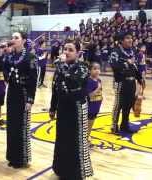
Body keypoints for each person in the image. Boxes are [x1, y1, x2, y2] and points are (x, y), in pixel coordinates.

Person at [49, 39, 93, 179]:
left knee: (76, 140)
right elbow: (55, 88)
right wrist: (52, 107)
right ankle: (62, 170)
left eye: (70, 50)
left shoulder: (83, 67)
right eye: (65, 49)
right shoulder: (60, 68)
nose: (66, 52)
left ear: (78, 53)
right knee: (62, 139)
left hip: (77, 108)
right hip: (63, 107)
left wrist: (61, 66)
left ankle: (76, 173)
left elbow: (73, 82)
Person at [4, 31, 37, 168]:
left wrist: (30, 99)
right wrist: (3, 55)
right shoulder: (10, 56)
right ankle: (12, 157)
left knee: (21, 126)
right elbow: (3, 70)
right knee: (11, 125)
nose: (13, 39)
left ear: (23, 40)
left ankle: (21, 158)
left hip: (23, 94)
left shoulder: (30, 57)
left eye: (16, 37)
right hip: (12, 92)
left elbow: (33, 80)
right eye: (12, 37)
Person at [109, 32, 143, 134]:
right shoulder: (115, 52)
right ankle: (114, 126)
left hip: (132, 82)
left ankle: (124, 125)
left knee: (128, 105)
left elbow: (135, 66)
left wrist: (140, 78)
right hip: (121, 82)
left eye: (131, 38)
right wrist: (127, 63)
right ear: (121, 41)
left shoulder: (132, 51)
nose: (130, 40)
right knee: (118, 105)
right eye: (127, 38)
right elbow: (114, 66)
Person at [87, 62, 103, 144]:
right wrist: (98, 88)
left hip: (97, 105)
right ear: (90, 70)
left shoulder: (99, 80)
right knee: (88, 122)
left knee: (92, 122)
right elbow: (89, 95)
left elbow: (100, 92)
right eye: (95, 69)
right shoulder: (89, 81)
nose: (97, 71)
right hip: (90, 106)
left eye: (98, 69)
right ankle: (85, 136)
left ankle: (88, 134)